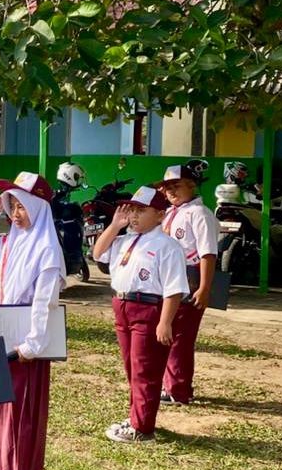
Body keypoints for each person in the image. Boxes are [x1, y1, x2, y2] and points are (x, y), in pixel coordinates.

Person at [0, 172, 64, 470]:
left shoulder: (47, 250)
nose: (16, 213)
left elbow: (45, 301)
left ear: (38, 208)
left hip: (26, 342)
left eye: (21, 206)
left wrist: (34, 343)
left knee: (20, 408)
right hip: (4, 333)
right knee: (0, 401)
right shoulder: (13, 241)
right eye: (13, 206)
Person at [93, 186, 189, 442]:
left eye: (141, 211)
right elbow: (97, 253)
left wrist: (165, 322)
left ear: (159, 214)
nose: (134, 216)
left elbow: (174, 289)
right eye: (131, 210)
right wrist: (115, 225)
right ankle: (137, 415)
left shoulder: (167, 245)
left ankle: (142, 427)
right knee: (131, 366)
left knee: (145, 368)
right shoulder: (125, 240)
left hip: (148, 309)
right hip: (123, 305)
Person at [157, 164, 220, 405]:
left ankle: (178, 389)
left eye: (177, 185)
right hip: (169, 278)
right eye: (167, 187)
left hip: (189, 277)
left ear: (191, 186)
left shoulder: (199, 214)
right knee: (168, 332)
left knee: (181, 335)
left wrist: (204, 288)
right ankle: (169, 383)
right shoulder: (172, 212)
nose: (171, 191)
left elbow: (208, 254)